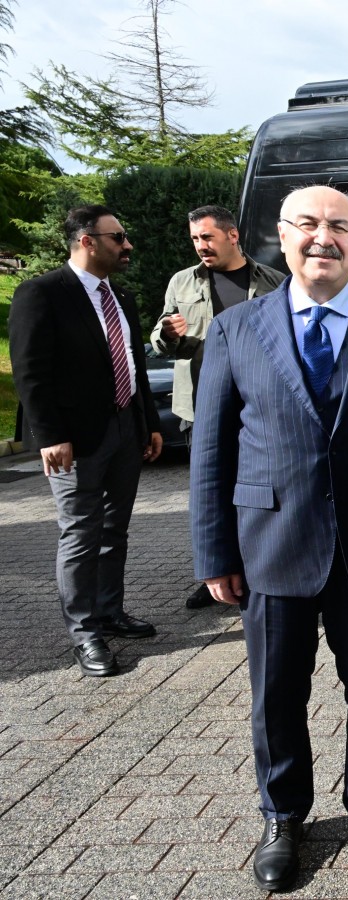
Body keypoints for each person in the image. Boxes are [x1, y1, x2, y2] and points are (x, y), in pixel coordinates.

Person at [189, 185, 348, 893]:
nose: (323, 237)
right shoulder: (236, 329)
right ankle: (283, 815)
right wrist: (214, 553)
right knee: (276, 694)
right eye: (308, 223)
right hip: (270, 543)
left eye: (340, 226)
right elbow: (211, 450)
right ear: (282, 234)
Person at [9, 205, 164, 677]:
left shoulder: (121, 296)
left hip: (125, 428)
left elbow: (134, 364)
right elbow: (31, 373)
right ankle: (84, 633)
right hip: (75, 439)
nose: (127, 245)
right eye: (118, 237)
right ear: (87, 241)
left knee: (114, 529)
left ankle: (110, 612)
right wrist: (51, 436)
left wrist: (148, 423)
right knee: (81, 532)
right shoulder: (42, 293)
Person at [149, 205, 284, 609]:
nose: (200, 245)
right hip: (201, 408)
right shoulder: (182, 282)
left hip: (259, 406)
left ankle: (262, 566)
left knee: (261, 491)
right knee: (210, 492)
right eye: (195, 238)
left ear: (232, 235)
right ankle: (215, 570)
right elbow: (161, 339)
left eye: (207, 237)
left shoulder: (273, 281)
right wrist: (167, 334)